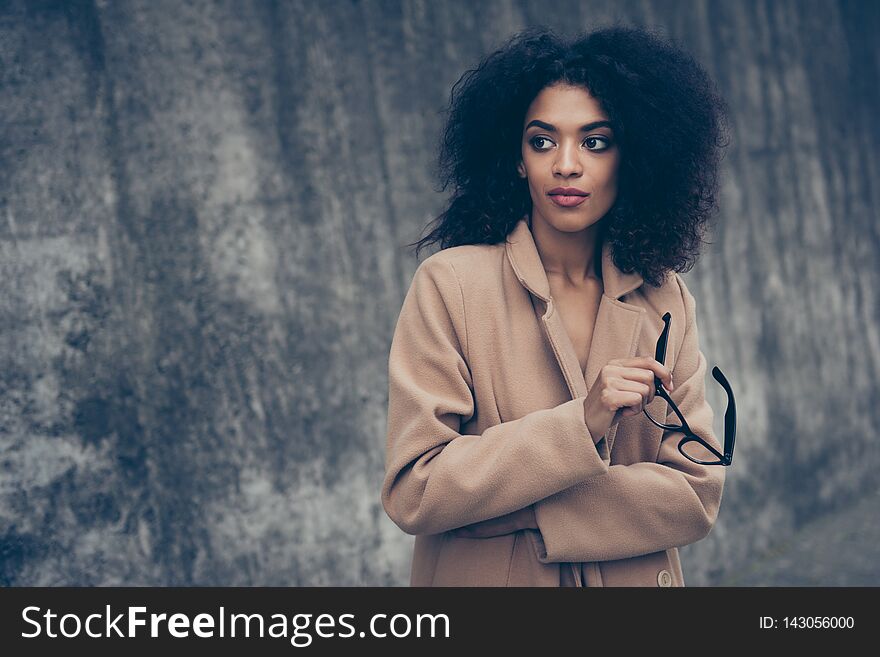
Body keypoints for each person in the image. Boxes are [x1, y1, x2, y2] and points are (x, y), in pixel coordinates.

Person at [381, 24, 731, 587]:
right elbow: (416, 487)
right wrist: (580, 426)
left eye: (596, 141)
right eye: (542, 141)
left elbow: (696, 494)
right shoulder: (451, 286)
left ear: (632, 157)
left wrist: (511, 513)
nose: (566, 164)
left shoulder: (666, 300)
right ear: (516, 158)